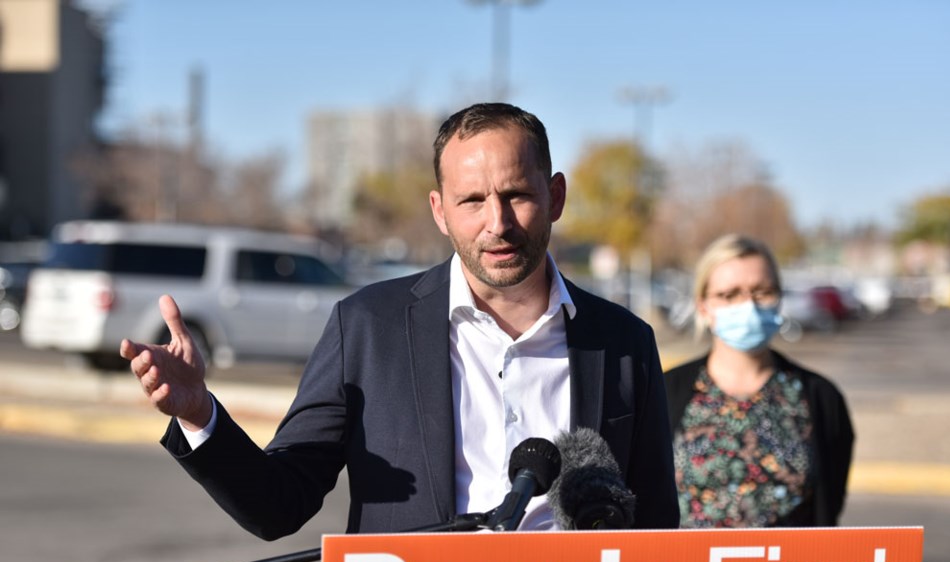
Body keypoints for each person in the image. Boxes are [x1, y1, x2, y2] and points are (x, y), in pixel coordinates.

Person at [121, 102, 679, 537]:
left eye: (516, 195)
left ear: (555, 196)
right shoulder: (366, 327)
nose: (497, 222)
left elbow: (655, 531)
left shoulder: (625, 343)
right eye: (472, 201)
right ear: (440, 211)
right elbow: (277, 506)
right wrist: (200, 415)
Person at [664, 234, 854, 528]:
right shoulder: (662, 392)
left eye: (761, 291)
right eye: (729, 295)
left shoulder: (820, 397)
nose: (748, 306)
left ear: (778, 298)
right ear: (703, 306)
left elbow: (830, 501)